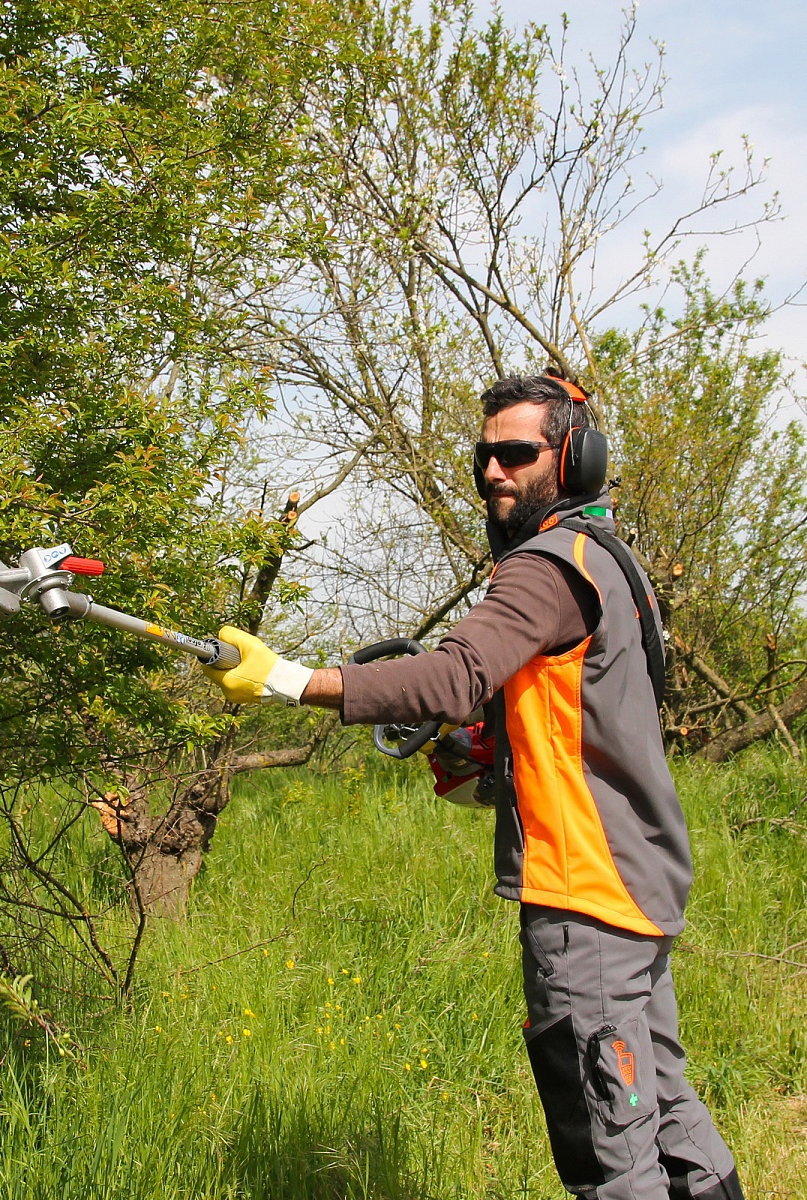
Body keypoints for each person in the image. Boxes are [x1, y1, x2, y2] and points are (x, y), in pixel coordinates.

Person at [200, 373, 743, 1200]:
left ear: (573, 458)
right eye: (484, 454)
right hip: (638, 880)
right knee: (663, 1110)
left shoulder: (546, 568)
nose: (494, 470)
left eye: (516, 453)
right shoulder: (611, 564)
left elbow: (454, 676)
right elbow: (582, 723)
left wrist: (292, 679)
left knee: (609, 1150)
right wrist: (489, 757)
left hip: (584, 894)